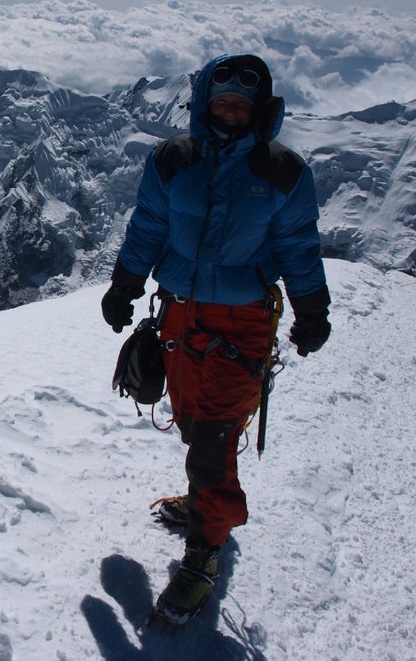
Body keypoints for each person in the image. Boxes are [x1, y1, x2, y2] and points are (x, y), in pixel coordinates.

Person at [101, 53, 331, 624]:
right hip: (179, 315)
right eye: (222, 102)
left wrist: (312, 309)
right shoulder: (173, 160)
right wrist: (125, 283)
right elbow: (148, 226)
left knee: (214, 438)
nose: (231, 112)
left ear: (259, 111)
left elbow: (299, 246)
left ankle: (203, 556)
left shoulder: (282, 172)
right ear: (205, 104)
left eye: (242, 105)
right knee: (188, 418)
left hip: (243, 322)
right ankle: (207, 503)